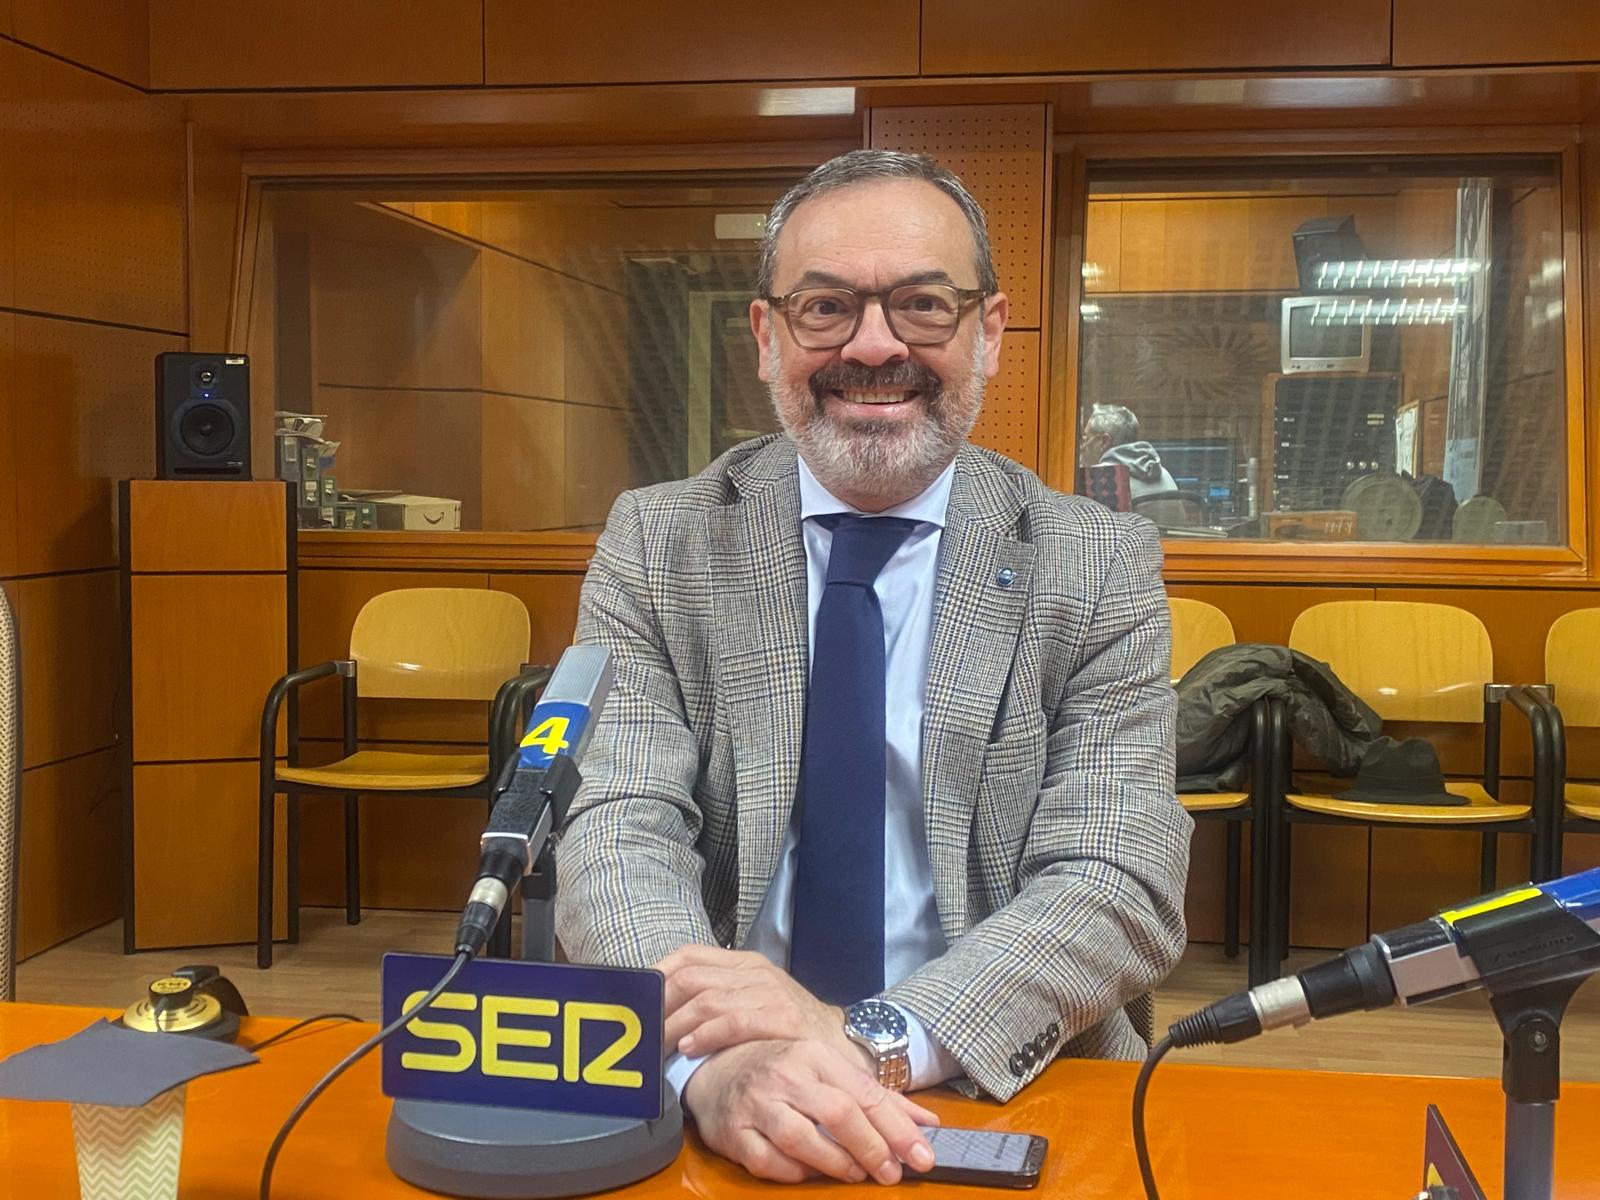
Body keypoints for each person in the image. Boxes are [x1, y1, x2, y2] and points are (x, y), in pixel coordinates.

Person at [555, 150, 1189, 1186]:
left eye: (923, 304)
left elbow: (1115, 879)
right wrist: (713, 1059)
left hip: (997, 1082)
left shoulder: (1094, 561)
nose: (874, 345)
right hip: (718, 1092)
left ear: (988, 331)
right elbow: (616, 831)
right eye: (825, 307)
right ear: (767, 336)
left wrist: (864, 1041)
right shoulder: (657, 542)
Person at [1081, 405, 1178, 499]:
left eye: (1086, 438)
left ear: (1104, 442)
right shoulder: (1164, 473)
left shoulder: (1100, 477)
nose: (1082, 447)